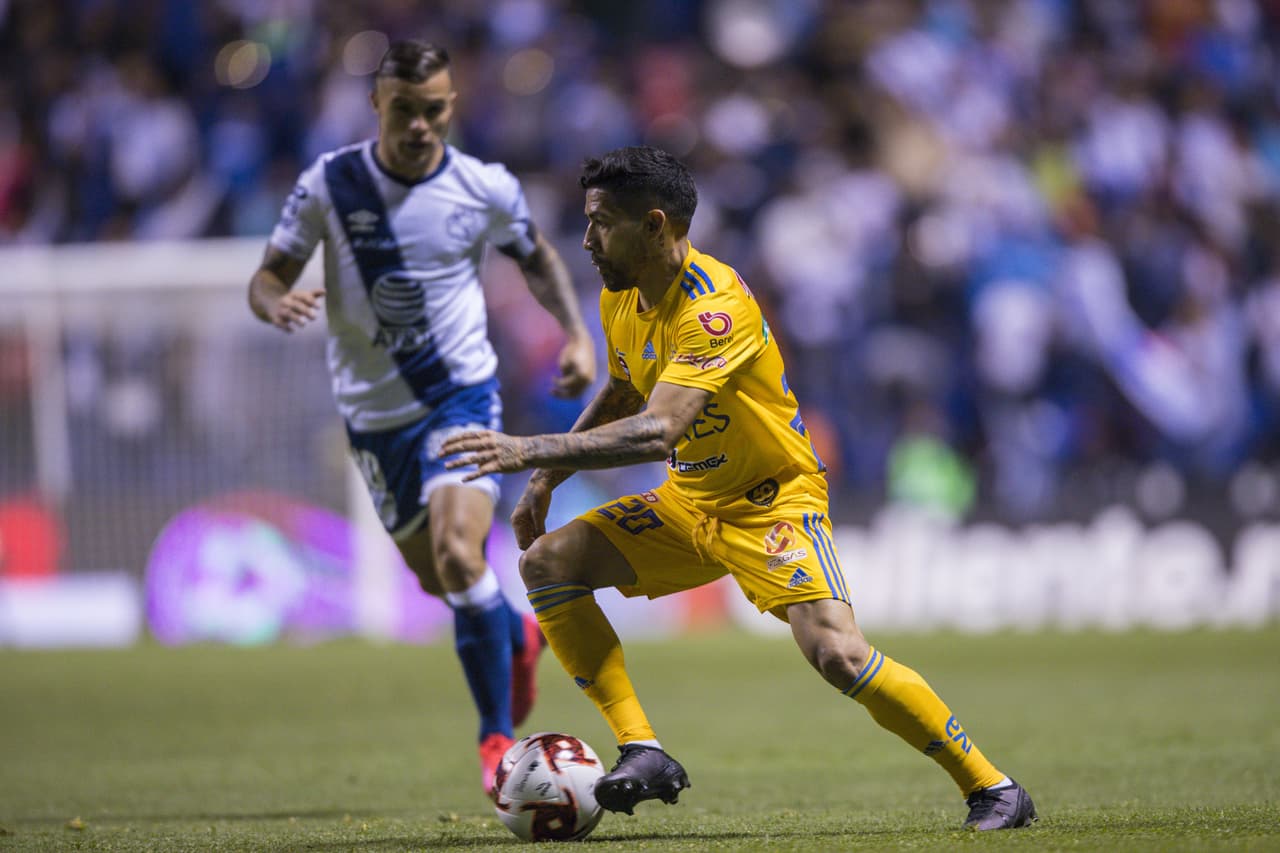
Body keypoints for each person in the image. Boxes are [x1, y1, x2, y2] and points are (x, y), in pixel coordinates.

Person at [442, 146, 1037, 830]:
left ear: (656, 225)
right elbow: (629, 383)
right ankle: (643, 747)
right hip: (690, 499)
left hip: (771, 500)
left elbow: (658, 428)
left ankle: (994, 788)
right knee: (548, 562)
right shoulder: (622, 294)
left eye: (602, 222)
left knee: (838, 654)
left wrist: (528, 449)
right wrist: (548, 478)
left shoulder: (715, 308)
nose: (587, 238)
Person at [247, 40, 596, 796]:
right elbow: (269, 275)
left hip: (459, 396)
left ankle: (494, 736)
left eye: (434, 109)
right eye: (404, 109)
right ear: (378, 105)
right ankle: (518, 634)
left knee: (461, 553)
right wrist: (277, 301)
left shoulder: (483, 185)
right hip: (375, 419)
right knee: (440, 577)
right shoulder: (331, 184)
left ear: (451, 106)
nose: (419, 125)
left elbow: (535, 255)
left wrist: (573, 332)